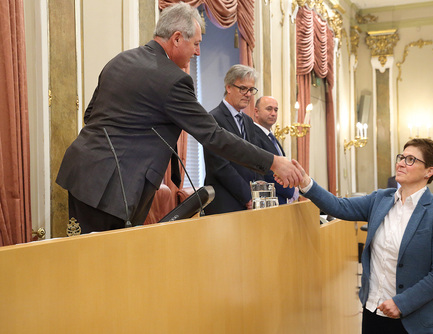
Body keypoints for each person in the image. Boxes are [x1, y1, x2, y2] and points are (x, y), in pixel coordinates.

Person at [56, 3, 301, 233]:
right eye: (195, 43)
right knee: (111, 263)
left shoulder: (120, 60)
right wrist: (273, 162)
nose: (197, 51)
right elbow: (214, 135)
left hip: (83, 173)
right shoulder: (173, 80)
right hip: (116, 187)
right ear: (176, 38)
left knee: (86, 259)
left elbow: (91, 115)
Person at [292, 138, 433, 334]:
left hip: (412, 321)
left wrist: (401, 303)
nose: (401, 163)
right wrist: (305, 182)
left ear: (429, 171)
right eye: (401, 157)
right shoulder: (381, 199)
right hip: (373, 311)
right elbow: (339, 206)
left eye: (411, 159)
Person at [203, 65, 264, 215]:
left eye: (251, 90)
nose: (248, 94)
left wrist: (259, 188)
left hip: (250, 203)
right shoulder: (213, 119)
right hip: (225, 203)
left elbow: (255, 157)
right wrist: (247, 197)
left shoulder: (248, 121)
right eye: (243, 88)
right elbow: (220, 166)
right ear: (229, 87)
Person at [253, 96, 298, 204]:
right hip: (267, 201)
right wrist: (291, 191)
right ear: (256, 111)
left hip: (280, 201)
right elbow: (266, 171)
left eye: (276, 110)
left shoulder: (271, 137)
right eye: (269, 109)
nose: (273, 113)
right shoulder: (253, 135)